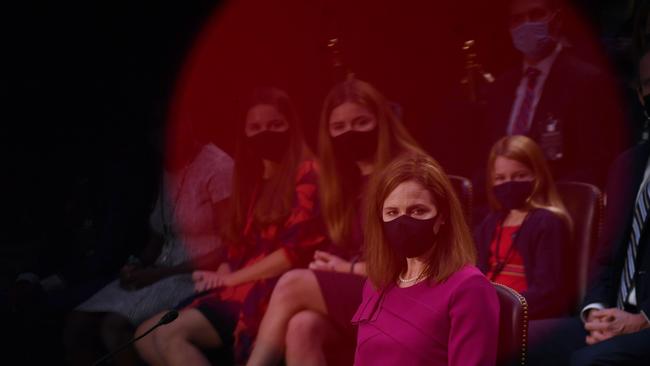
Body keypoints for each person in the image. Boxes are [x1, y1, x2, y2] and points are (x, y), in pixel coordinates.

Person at [134, 87, 327, 365]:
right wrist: (225, 269)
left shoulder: (307, 172)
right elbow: (238, 244)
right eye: (256, 127)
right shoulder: (252, 177)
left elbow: (293, 254)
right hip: (239, 282)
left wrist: (230, 278)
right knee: (144, 335)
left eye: (275, 125)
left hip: (271, 289)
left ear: (291, 127)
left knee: (167, 335)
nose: (266, 133)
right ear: (246, 133)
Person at [246, 78, 421, 366]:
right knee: (302, 326)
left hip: (407, 292)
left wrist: (346, 268)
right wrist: (331, 264)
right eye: (338, 127)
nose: (349, 133)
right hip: (365, 287)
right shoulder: (345, 180)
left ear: (381, 121)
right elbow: (345, 244)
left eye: (360, 122)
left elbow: (411, 267)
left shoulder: (408, 171)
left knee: (292, 284)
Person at [526, 45, 650, 366]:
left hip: (647, 323)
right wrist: (594, 312)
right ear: (639, 95)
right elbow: (605, 259)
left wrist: (643, 319)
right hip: (610, 316)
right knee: (514, 339)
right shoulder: (627, 165)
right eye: (648, 84)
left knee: (587, 361)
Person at [63, 141, 234, 366]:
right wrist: (135, 265)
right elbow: (158, 237)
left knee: (114, 327)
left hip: (193, 274)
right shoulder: (169, 169)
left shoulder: (218, 165)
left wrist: (160, 274)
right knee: (77, 323)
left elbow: (229, 248)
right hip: (158, 271)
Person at [352, 152, 499, 365]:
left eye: (417, 211)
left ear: (442, 217)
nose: (403, 222)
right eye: (392, 212)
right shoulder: (377, 282)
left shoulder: (469, 288)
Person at [480, 0, 624, 190]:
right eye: (518, 19)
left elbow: (594, 164)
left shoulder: (586, 81)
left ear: (557, 19)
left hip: (558, 203)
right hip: (502, 204)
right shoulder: (499, 88)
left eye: (536, 15)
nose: (526, 24)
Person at [475, 135, 572, 319]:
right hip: (485, 308)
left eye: (520, 176)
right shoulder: (491, 222)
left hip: (520, 315)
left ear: (537, 176)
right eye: (500, 178)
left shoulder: (547, 221)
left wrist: (500, 309)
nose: (509, 184)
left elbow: (548, 294)